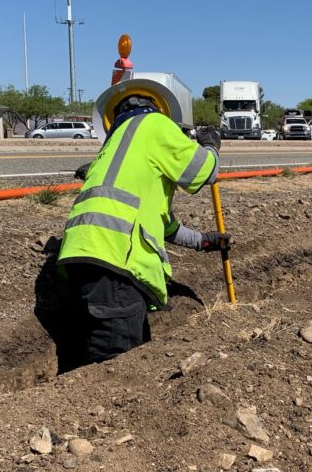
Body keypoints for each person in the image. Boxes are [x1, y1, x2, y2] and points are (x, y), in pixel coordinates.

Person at [58, 79, 230, 364]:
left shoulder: (114, 151)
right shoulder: (153, 125)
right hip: (116, 260)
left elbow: (165, 226)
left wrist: (204, 241)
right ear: (158, 108)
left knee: (93, 351)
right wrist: (211, 146)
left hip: (81, 258)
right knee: (115, 361)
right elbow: (203, 171)